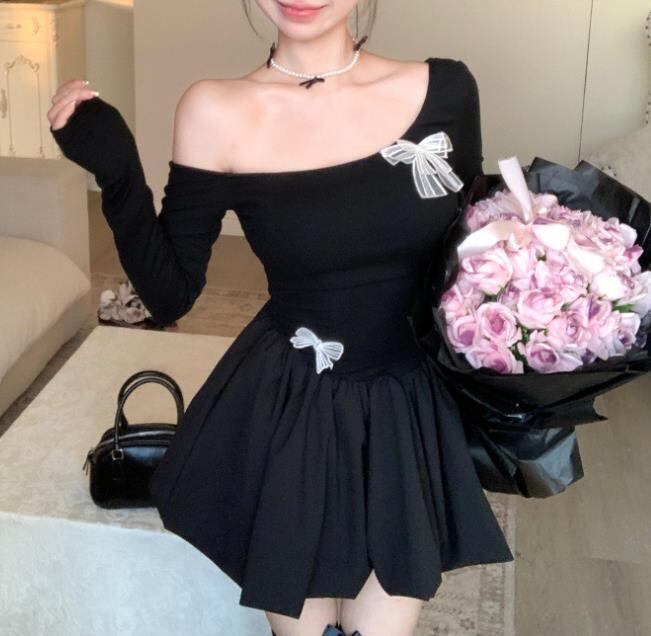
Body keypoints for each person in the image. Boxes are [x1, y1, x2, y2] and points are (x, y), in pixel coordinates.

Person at [47, 1, 514, 634]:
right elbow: (171, 294)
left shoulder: (445, 89)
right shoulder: (214, 109)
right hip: (294, 409)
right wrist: (118, 170)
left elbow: (473, 252)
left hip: (405, 408)